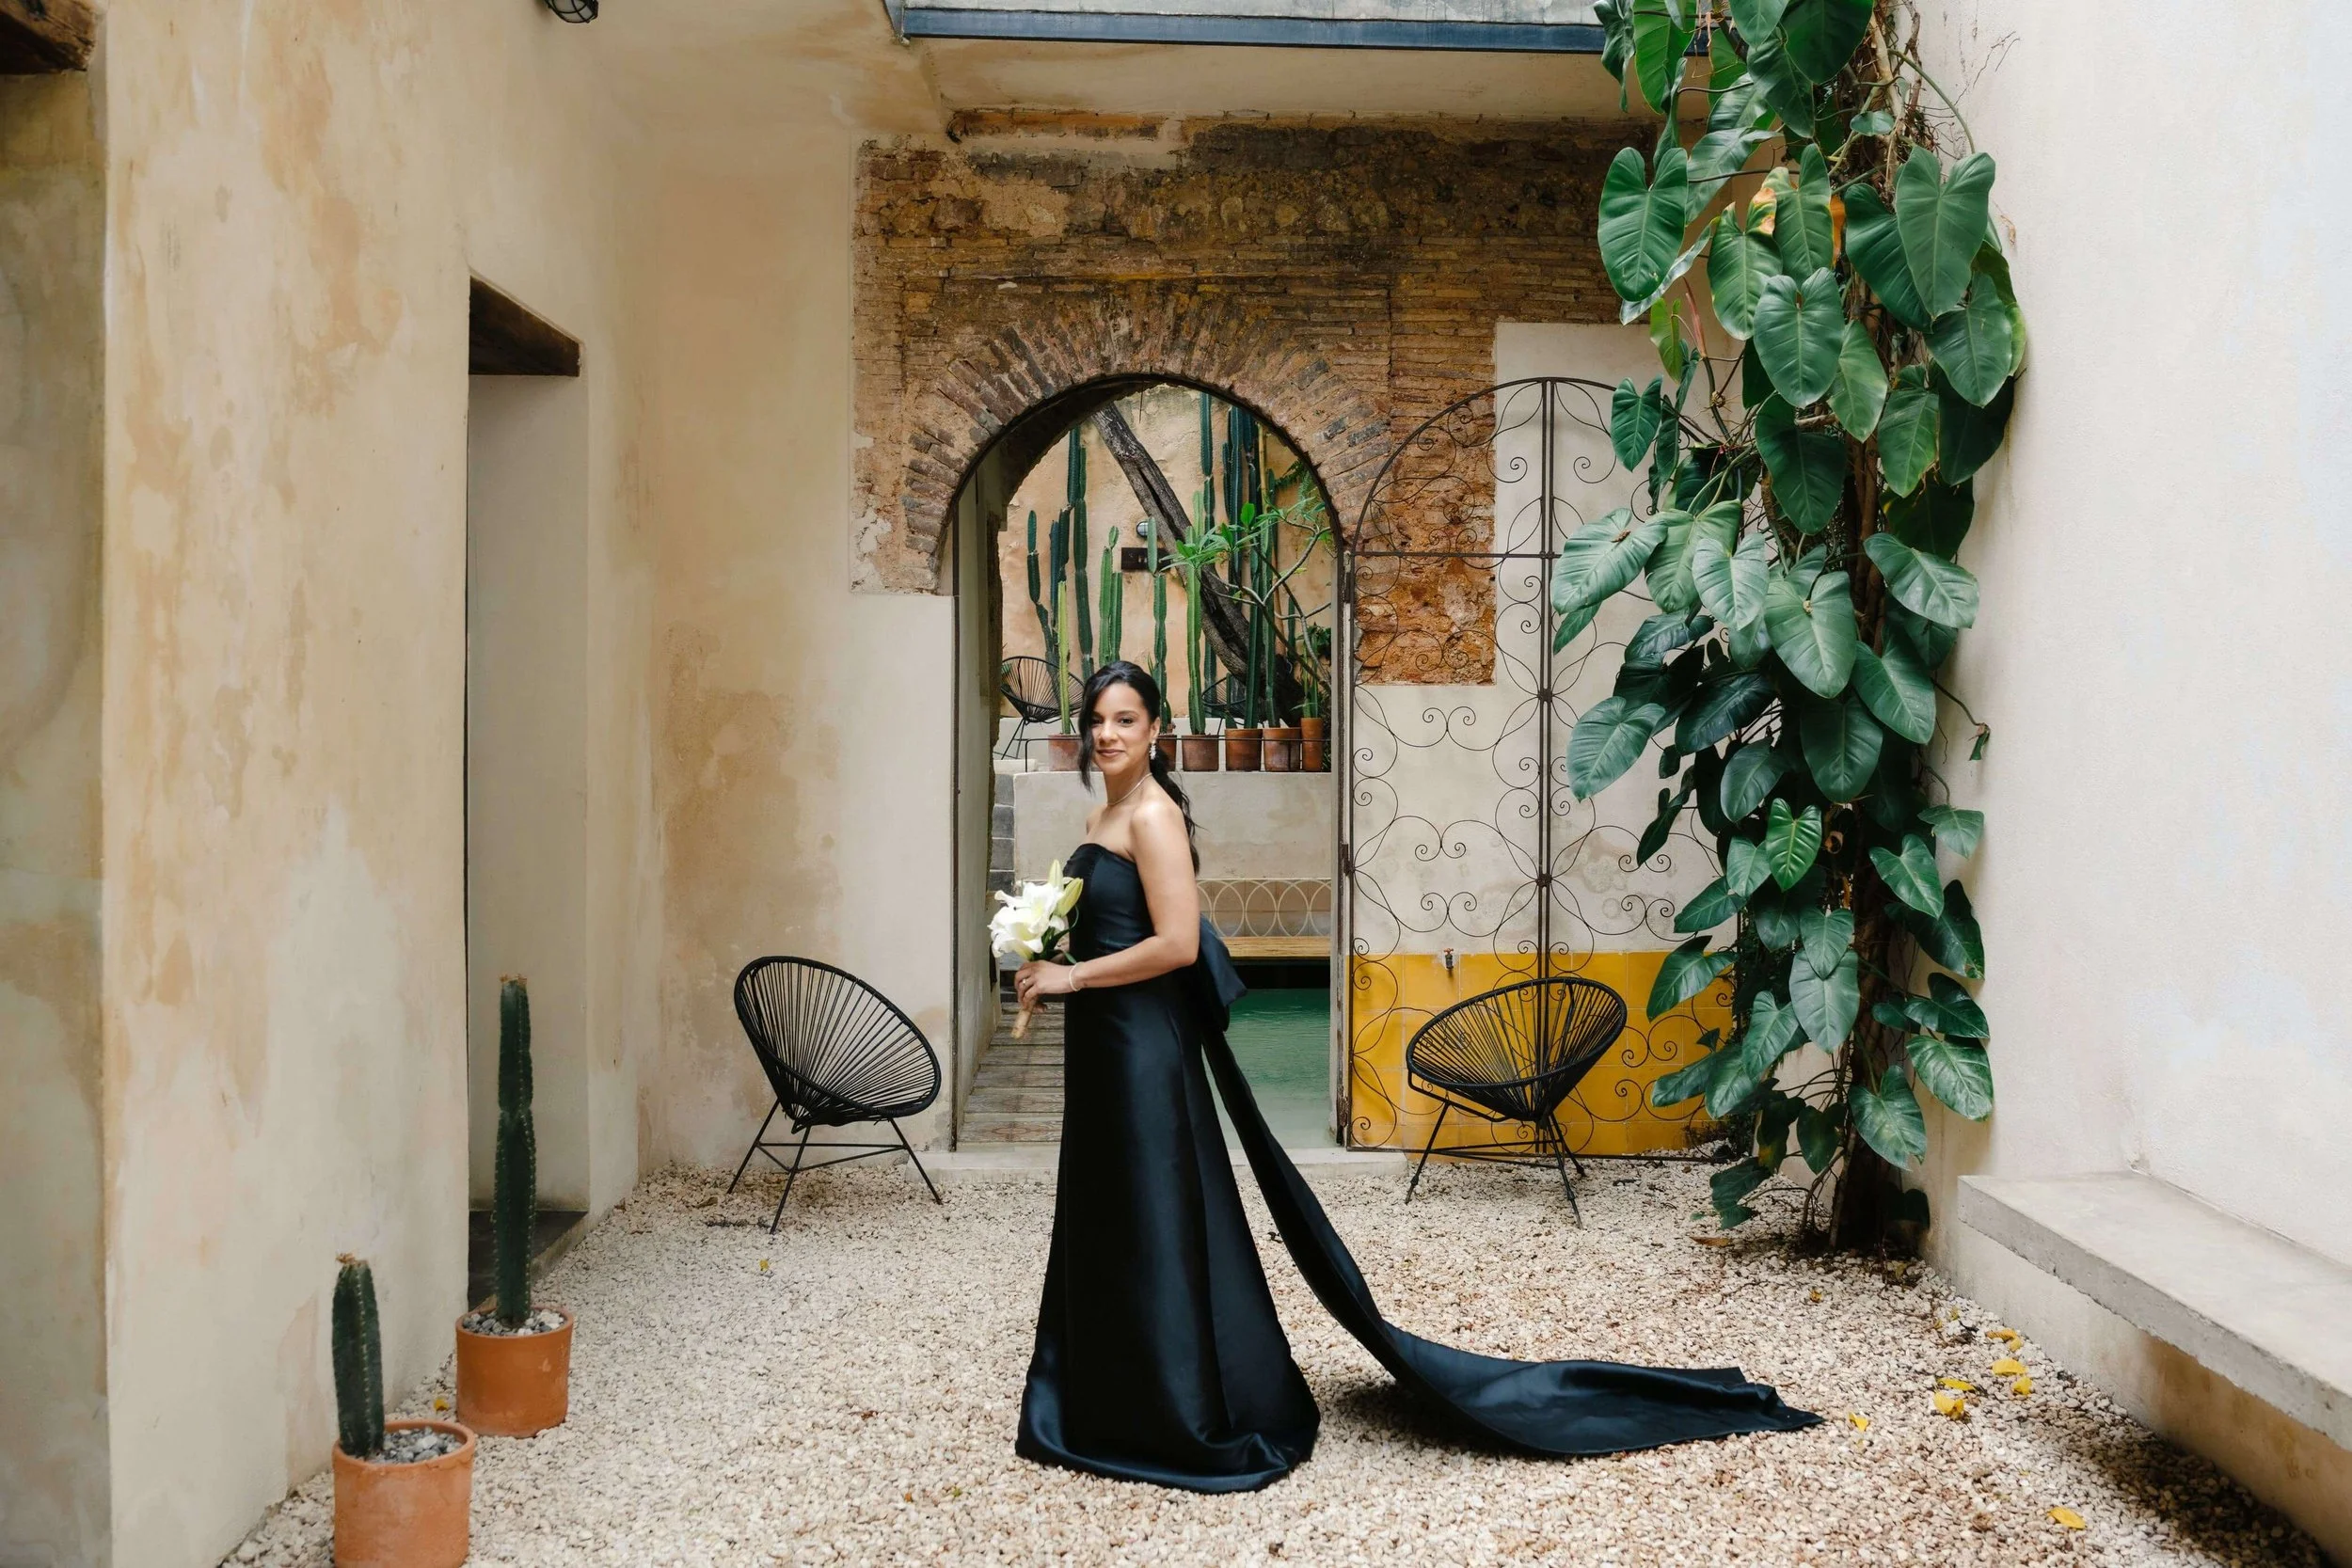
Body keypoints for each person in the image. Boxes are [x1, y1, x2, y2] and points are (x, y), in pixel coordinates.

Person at [1012, 660, 1819, 1492]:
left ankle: (1171, 1409)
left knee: (1150, 1210)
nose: (1108, 734)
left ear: (1155, 729)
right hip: (1104, 1046)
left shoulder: (1152, 815)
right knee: (1110, 1209)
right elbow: (1120, 930)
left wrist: (1073, 977)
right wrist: (1050, 958)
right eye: (1099, 720)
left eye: (1126, 720)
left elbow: (1178, 944)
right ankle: (1107, 1394)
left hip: (1144, 1048)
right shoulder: (1102, 809)